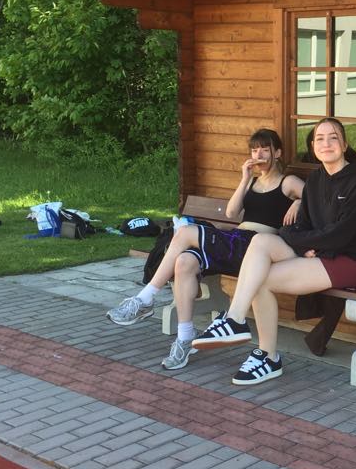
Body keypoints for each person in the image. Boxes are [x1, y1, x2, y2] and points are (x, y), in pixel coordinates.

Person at [192, 117, 356, 386]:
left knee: (260, 279)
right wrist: (304, 245)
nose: (326, 143)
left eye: (333, 138)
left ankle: (266, 355)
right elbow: (294, 226)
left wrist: (309, 244)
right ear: (313, 146)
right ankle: (236, 321)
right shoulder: (315, 180)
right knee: (260, 242)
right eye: (319, 138)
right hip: (318, 253)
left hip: (347, 260)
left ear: (345, 144)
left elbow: (342, 233)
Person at [106, 129, 304, 371]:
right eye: (254, 150)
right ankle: (184, 336)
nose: (259, 155)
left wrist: (298, 201)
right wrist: (244, 179)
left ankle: (144, 299)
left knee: (185, 233)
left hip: (256, 247)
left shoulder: (287, 182)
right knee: (184, 262)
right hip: (236, 240)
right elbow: (232, 212)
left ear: (278, 152)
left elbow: (316, 200)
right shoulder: (252, 182)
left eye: (265, 149)